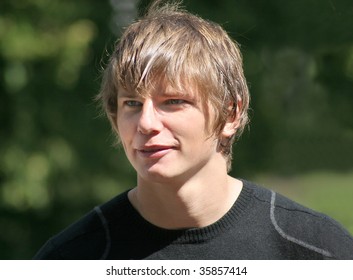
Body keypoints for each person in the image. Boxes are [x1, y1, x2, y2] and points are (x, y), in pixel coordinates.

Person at [34, 0, 353, 259]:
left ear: (231, 113)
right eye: (132, 103)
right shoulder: (71, 259)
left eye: (172, 101)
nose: (146, 123)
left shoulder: (317, 251)